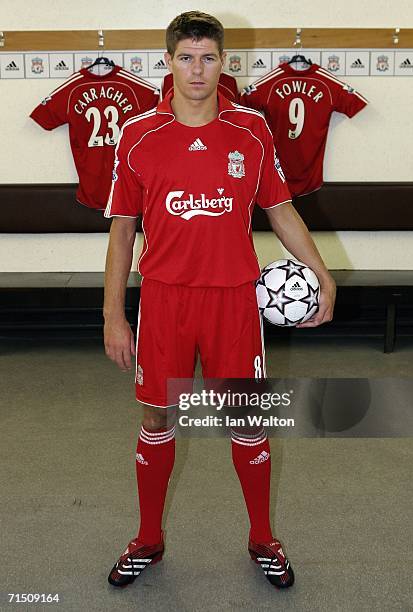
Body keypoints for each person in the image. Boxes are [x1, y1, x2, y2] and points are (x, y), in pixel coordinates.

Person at [103, 11, 336, 591]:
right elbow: (123, 230)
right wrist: (112, 312)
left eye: (208, 57)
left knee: (246, 422)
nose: (197, 69)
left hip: (234, 299)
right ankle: (147, 540)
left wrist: (322, 275)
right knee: (157, 416)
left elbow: (281, 210)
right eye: (186, 57)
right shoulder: (137, 134)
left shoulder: (252, 130)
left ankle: (262, 538)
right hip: (163, 300)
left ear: (224, 62)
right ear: (168, 62)